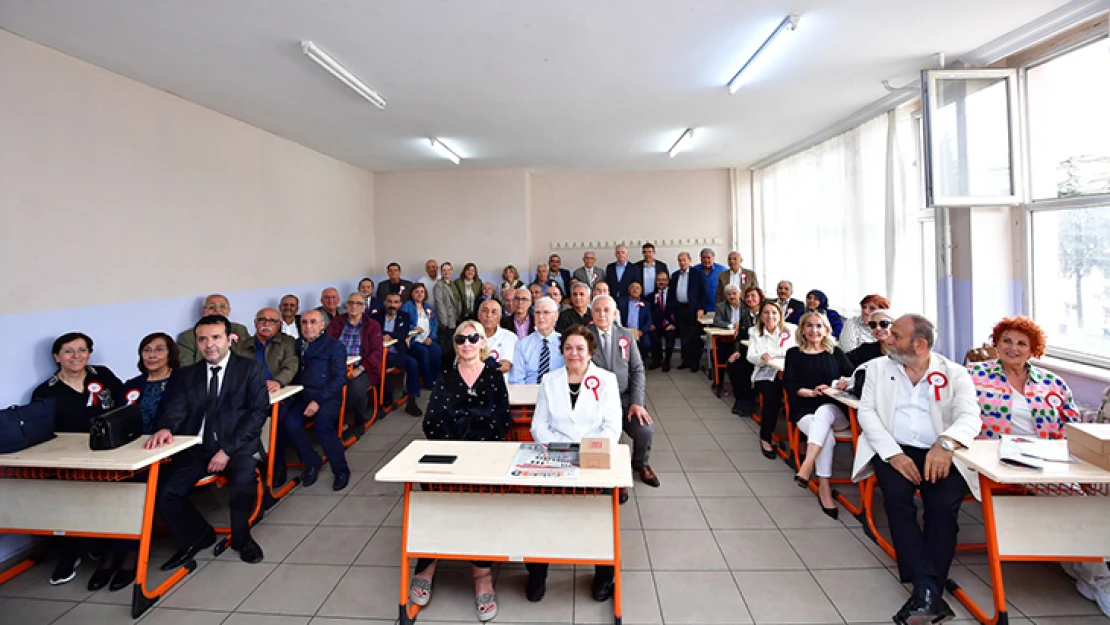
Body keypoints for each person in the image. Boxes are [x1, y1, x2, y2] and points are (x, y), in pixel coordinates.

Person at [967, 316, 1104, 612]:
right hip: (993, 455)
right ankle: (1097, 577)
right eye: (1006, 340)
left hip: (1048, 456)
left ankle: (1088, 567)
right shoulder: (973, 375)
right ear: (997, 343)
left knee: (1090, 498)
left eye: (1021, 343)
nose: (1012, 348)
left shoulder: (1052, 382)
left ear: (1033, 350)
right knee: (1072, 501)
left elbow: (1071, 424)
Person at [851, 314, 980, 625]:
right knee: (897, 500)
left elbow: (970, 416)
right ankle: (930, 591)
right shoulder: (877, 369)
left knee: (942, 507)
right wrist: (893, 454)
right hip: (893, 447)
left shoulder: (955, 373)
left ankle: (924, 591)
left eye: (895, 335)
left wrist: (946, 443)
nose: (887, 338)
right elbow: (866, 414)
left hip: (941, 450)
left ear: (920, 344)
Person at [145, 315, 270, 567]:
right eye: (203, 339)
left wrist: (227, 450)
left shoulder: (249, 369)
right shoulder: (188, 375)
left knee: (244, 481)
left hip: (237, 446)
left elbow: (258, 413)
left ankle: (242, 539)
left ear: (229, 340)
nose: (209, 344)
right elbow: (175, 408)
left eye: (216, 337)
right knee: (165, 491)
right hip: (198, 448)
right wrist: (165, 427)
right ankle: (197, 535)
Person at [408, 320, 509, 622]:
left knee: (479, 506)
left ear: (482, 342)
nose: (466, 344)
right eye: (460, 339)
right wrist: (474, 418)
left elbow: (500, 421)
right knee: (434, 502)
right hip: (449, 454)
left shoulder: (493, 376)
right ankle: (428, 563)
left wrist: (461, 418)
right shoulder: (446, 377)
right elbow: (432, 422)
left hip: (484, 454)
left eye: (472, 338)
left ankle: (481, 574)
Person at [527, 325, 621, 604]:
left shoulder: (606, 380)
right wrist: (564, 450)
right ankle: (537, 573)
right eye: (568, 348)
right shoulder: (550, 380)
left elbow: (612, 428)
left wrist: (584, 451)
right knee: (542, 517)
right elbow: (538, 425)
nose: (574, 353)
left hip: (593, 459)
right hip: (556, 457)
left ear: (590, 351)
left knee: (600, 518)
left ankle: (604, 576)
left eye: (580, 348)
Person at [32, 332, 124, 585]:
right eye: (69, 351)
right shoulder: (46, 392)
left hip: (111, 453)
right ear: (57, 357)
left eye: (82, 350)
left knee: (115, 493)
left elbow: (126, 406)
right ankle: (71, 553)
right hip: (69, 460)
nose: (76, 356)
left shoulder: (102, 375)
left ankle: (106, 546)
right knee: (65, 495)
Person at [102, 333, 181, 592]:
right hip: (131, 452)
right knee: (108, 486)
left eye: (159, 349)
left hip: (169, 452)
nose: (152, 355)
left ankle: (130, 555)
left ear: (170, 354)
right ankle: (111, 551)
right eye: (147, 350)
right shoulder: (131, 385)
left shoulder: (181, 382)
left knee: (132, 487)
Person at [785, 311, 856, 518]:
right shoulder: (793, 354)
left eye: (818, 326)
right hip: (805, 409)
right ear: (802, 330)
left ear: (826, 330)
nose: (814, 330)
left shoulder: (835, 352)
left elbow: (853, 377)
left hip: (835, 409)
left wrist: (841, 383)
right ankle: (824, 486)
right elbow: (790, 385)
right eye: (809, 326)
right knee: (827, 436)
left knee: (824, 411)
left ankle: (807, 466)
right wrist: (811, 392)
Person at [590, 296, 658, 492]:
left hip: (626, 399)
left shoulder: (626, 335)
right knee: (612, 436)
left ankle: (640, 463)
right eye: (597, 310)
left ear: (615, 313)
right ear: (591, 313)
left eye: (606, 310)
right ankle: (617, 475)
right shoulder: (584, 336)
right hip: (597, 403)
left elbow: (637, 369)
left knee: (645, 430)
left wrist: (637, 402)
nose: (602, 314)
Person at [281, 310, 351, 490]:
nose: (308, 326)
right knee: (290, 424)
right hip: (303, 396)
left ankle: (341, 470)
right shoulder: (297, 345)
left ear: (322, 325)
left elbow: (339, 378)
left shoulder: (334, 346)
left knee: (322, 426)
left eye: (313, 322)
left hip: (327, 397)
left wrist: (318, 401)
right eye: (304, 323)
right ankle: (312, 462)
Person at [326, 293, 386, 428]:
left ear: (364, 307)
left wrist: (360, 368)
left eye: (358, 303)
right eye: (351, 303)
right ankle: (339, 419)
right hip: (337, 367)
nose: (354, 306)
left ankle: (349, 419)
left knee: (354, 388)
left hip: (362, 368)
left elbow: (377, 352)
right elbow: (326, 342)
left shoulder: (372, 325)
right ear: (346, 305)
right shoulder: (337, 322)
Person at [747, 300, 796, 458]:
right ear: (760, 316)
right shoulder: (754, 332)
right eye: (766, 313)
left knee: (798, 396)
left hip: (788, 371)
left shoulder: (791, 330)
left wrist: (776, 354)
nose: (770, 316)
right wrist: (761, 357)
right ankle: (765, 437)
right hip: (765, 372)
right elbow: (751, 356)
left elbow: (794, 351)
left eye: (774, 313)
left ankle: (799, 442)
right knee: (772, 397)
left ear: (780, 315)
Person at [378, 293, 424, 416]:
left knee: (413, 363)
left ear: (400, 304)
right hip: (379, 354)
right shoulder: (376, 315)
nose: (392, 305)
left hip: (397, 353)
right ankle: (384, 401)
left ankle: (412, 400)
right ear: (385, 303)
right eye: (390, 301)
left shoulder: (405, 316)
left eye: (396, 302)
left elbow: (403, 333)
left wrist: (390, 335)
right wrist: (386, 334)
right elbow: (373, 332)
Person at [236, 308, 299, 394]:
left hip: (279, 392)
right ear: (255, 323)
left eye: (272, 321)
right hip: (249, 393)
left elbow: (291, 366)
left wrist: (278, 382)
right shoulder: (242, 346)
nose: (266, 324)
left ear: (279, 325)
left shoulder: (288, 342)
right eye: (262, 320)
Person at [722, 285, 762, 416]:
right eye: (748, 296)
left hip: (760, 352)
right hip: (746, 349)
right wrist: (737, 351)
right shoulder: (745, 314)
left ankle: (749, 400)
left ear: (760, 297)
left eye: (753, 296)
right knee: (732, 364)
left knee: (745, 368)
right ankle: (740, 398)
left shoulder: (766, 313)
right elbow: (740, 336)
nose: (750, 299)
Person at [177, 294, 249, 366]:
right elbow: (187, 369)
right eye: (212, 307)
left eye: (223, 306)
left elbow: (249, 358)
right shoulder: (187, 337)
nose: (217, 310)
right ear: (203, 311)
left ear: (228, 310)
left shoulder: (240, 329)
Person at [508, 298, 563, 384]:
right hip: (529, 394)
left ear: (556, 316)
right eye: (537, 312)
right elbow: (516, 380)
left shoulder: (564, 343)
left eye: (546, 312)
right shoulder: (522, 345)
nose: (541, 317)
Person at [669, 252, 708, 372]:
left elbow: (703, 293)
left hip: (694, 309)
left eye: (684, 260)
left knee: (694, 336)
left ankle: (695, 362)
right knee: (683, 335)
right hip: (680, 309)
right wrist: (672, 311)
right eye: (680, 260)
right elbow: (671, 294)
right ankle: (685, 361)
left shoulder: (697, 274)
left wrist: (701, 308)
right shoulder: (675, 275)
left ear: (690, 261)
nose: (682, 263)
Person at [400, 283, 442, 388]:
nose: (419, 294)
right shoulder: (407, 306)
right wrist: (413, 328)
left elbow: (434, 323)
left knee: (436, 350)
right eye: (416, 292)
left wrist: (431, 337)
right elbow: (402, 323)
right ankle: (428, 382)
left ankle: (435, 380)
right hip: (414, 340)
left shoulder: (428, 307)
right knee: (423, 353)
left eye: (422, 292)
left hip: (427, 339)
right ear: (412, 293)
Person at [433, 262, 462, 372]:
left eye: (448, 270)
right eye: (444, 270)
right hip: (447, 321)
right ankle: (445, 370)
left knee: (453, 345)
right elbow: (439, 303)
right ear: (441, 272)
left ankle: (452, 369)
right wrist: (444, 321)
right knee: (446, 347)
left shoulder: (453, 284)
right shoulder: (439, 285)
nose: (446, 272)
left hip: (455, 318)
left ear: (452, 271)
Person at [478, 298, 517, 378]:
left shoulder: (509, 337)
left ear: (500, 317)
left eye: (494, 312)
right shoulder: (469, 335)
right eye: (485, 311)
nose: (489, 315)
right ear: (479, 315)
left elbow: (506, 365)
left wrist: (478, 368)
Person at [619, 281, 653, 359]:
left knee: (646, 344)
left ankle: (641, 362)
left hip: (640, 331)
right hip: (625, 330)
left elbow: (649, 320)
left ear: (641, 291)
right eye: (632, 288)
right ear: (629, 290)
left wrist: (642, 331)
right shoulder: (621, 302)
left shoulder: (646, 304)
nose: (635, 290)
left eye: (637, 288)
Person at [650, 271, 677, 371]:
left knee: (671, 335)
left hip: (669, 324)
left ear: (668, 281)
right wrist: (651, 323)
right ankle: (657, 359)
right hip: (656, 324)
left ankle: (667, 361)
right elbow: (649, 311)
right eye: (658, 280)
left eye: (663, 280)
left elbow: (678, 310)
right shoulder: (651, 296)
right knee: (653, 334)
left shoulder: (674, 294)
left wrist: (674, 324)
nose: (661, 282)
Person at [696, 248, 727, 314]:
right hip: (700, 308)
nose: (706, 260)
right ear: (700, 259)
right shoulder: (695, 270)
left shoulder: (722, 270)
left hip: (718, 307)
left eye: (709, 258)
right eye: (704, 258)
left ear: (713, 258)